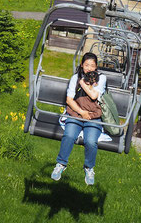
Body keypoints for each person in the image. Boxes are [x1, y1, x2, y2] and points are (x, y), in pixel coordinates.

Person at [51, 52, 106, 185]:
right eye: (86, 65)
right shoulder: (75, 78)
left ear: (96, 67)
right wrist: (82, 112)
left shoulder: (101, 78)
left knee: (91, 141)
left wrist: (83, 83)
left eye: (92, 65)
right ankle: (61, 163)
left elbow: (94, 96)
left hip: (93, 116)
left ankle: (89, 167)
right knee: (69, 135)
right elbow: (69, 100)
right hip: (77, 113)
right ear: (82, 65)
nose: (89, 68)